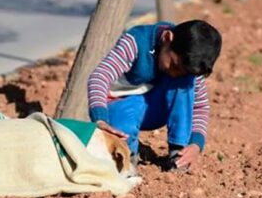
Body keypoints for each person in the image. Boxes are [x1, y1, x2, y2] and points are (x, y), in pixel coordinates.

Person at [87, 20, 221, 171]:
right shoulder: (136, 42)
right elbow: (100, 76)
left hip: (155, 107)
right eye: (174, 65)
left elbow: (200, 106)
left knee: (184, 83)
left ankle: (178, 153)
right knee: (122, 134)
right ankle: (129, 157)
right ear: (167, 39)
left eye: (182, 70)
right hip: (121, 105)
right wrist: (100, 119)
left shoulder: (190, 61)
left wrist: (196, 144)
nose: (175, 73)